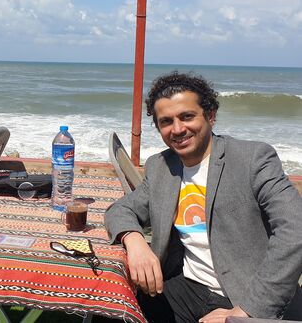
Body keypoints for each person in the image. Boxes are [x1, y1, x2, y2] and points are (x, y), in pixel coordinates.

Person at [105, 71, 302, 323]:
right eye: (166, 121)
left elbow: (295, 228)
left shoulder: (252, 158)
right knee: (115, 307)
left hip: (247, 294)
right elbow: (120, 209)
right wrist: (135, 242)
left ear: (210, 116)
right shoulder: (161, 166)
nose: (177, 129)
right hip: (189, 287)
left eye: (187, 116)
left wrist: (246, 312)